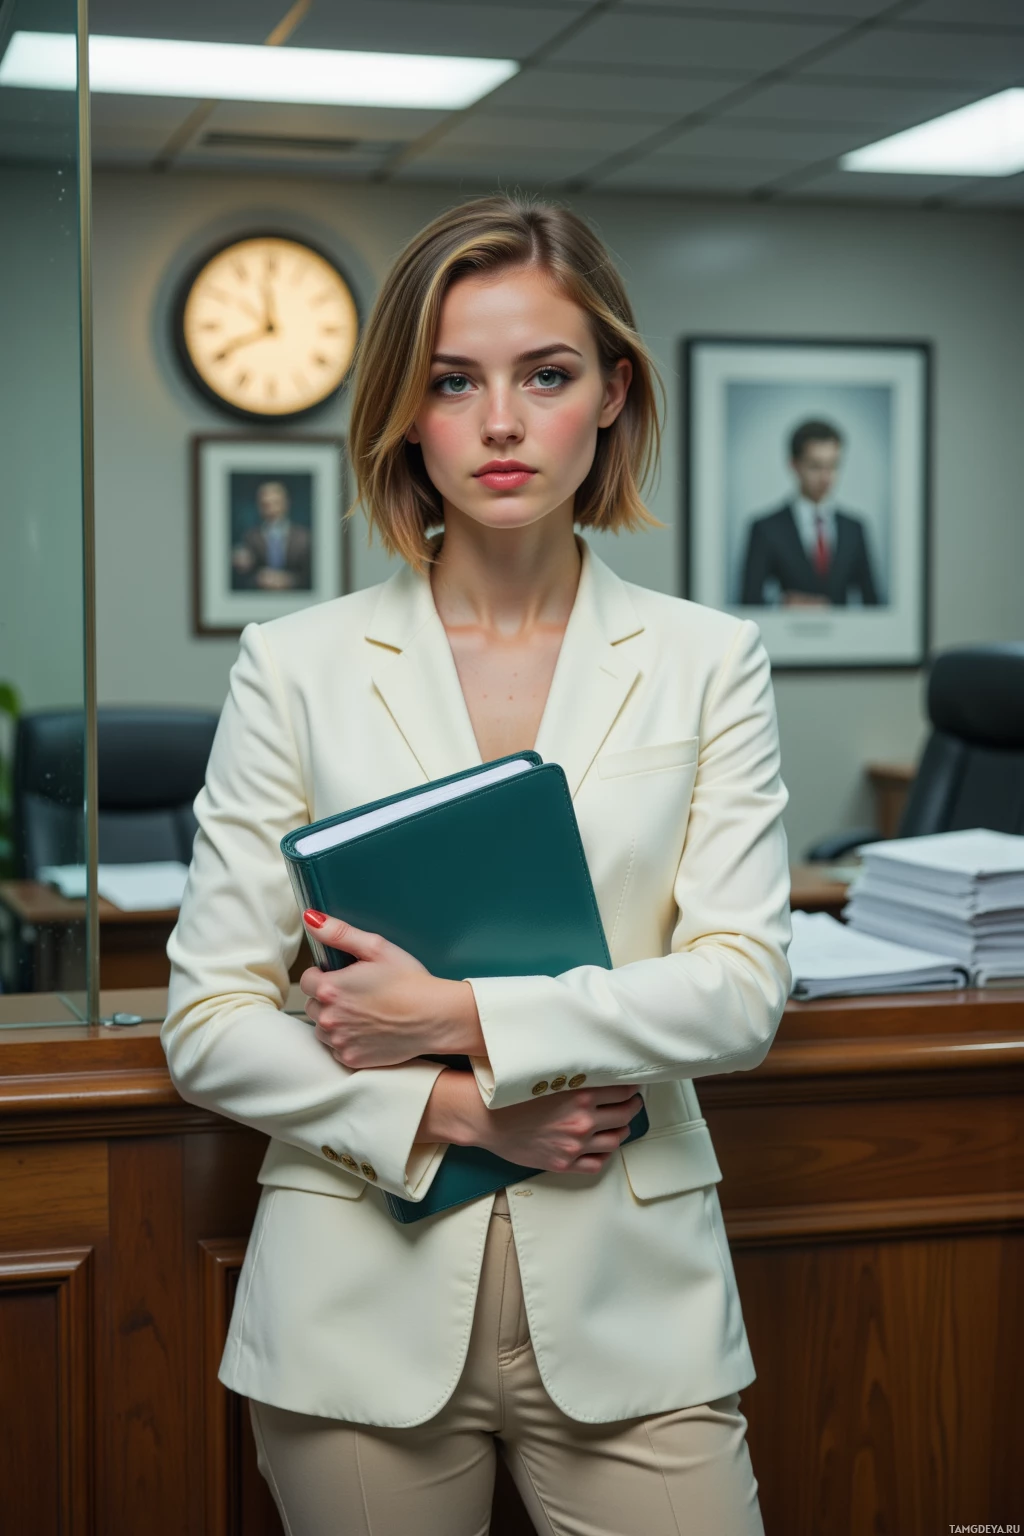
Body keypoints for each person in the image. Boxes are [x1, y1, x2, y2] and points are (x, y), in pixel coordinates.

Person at [163, 196, 791, 1536]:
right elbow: (208, 1026)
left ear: (612, 393)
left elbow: (739, 991)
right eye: (455, 382)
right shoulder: (296, 668)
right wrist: (456, 1113)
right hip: (352, 1313)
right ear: (406, 409)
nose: (501, 424)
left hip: (638, 1303)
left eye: (545, 376)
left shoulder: (708, 659)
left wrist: (458, 1020)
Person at [738, 419, 880, 607]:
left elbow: (873, 603)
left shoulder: (854, 529)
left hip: (845, 635)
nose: (826, 477)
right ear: (794, 465)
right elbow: (748, 601)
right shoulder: (765, 529)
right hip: (785, 634)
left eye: (833, 465)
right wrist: (782, 602)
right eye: (815, 466)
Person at [231, 478, 312, 591]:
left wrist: (289, 580)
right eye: (265, 504)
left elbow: (312, 575)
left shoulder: (303, 537)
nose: (271, 509)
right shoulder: (250, 537)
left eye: (275, 503)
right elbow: (243, 577)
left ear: (286, 503)